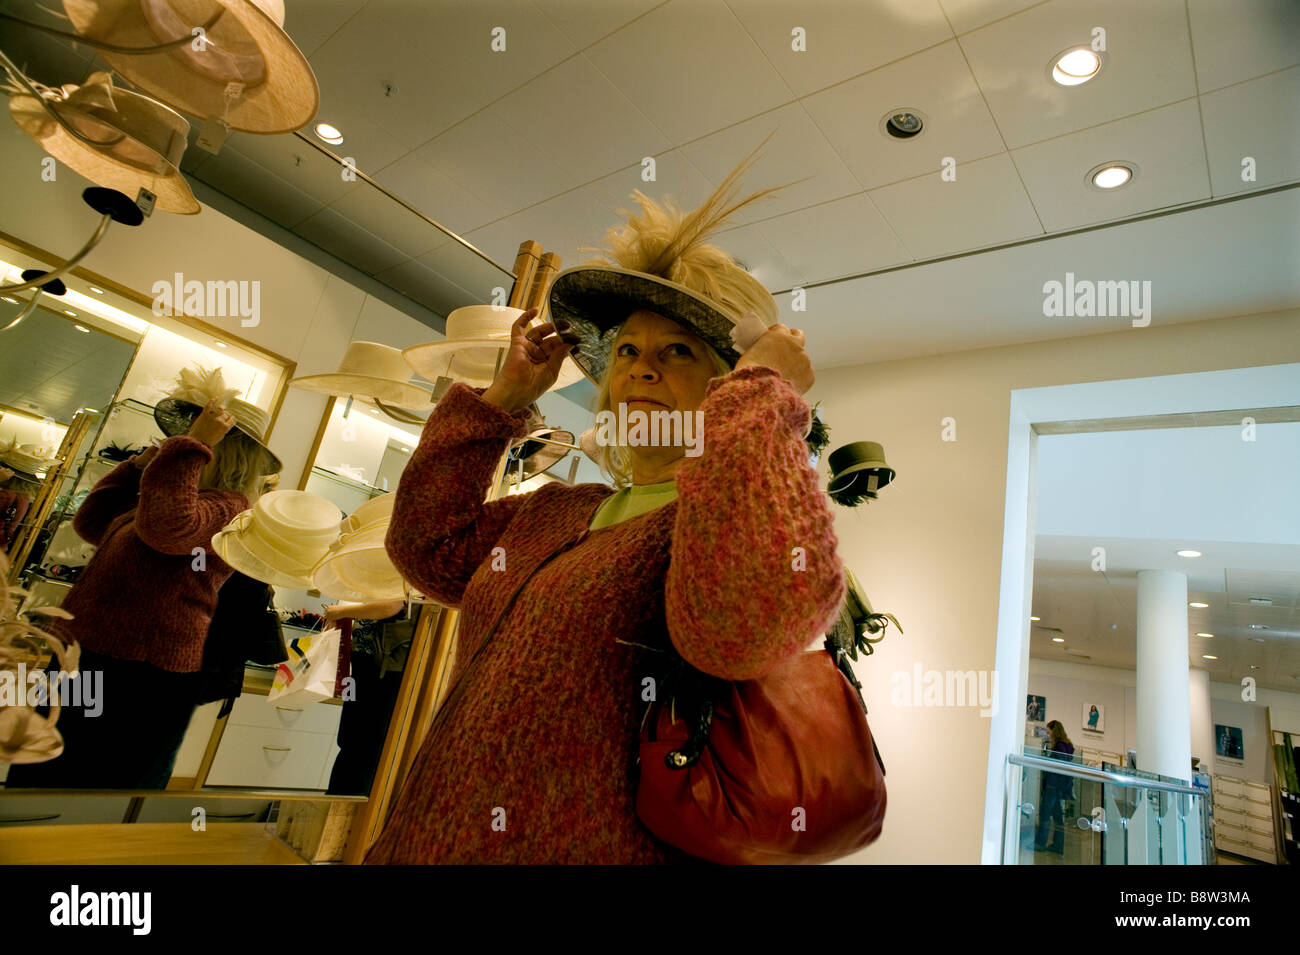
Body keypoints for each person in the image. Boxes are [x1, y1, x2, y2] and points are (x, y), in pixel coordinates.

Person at [364, 149, 846, 864]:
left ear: (726, 385)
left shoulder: (710, 524)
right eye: (625, 350)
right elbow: (426, 549)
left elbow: (740, 630)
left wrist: (764, 396)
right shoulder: (555, 510)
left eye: (678, 351)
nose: (641, 367)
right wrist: (503, 402)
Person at [5, 372, 279, 790]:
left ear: (222, 451)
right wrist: (137, 467)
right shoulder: (176, 498)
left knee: (107, 784)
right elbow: (91, 521)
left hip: (143, 674)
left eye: (194, 436)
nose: (176, 441)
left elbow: (168, 531)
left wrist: (189, 448)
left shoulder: (229, 508)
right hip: (89, 655)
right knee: (45, 765)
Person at [324, 597, 412, 796]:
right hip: (362, 665)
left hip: (378, 671)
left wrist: (342, 612)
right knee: (350, 740)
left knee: (361, 744)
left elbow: (391, 605)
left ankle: (344, 804)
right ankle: (337, 800)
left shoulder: (399, 573)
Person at [1036, 720, 1076, 855]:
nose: (1048, 734)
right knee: (1058, 818)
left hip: (1053, 786)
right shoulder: (1067, 746)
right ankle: (1058, 845)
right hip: (1060, 787)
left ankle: (1040, 843)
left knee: (1045, 815)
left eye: (1049, 731)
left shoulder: (1059, 746)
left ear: (1055, 731)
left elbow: (1056, 768)